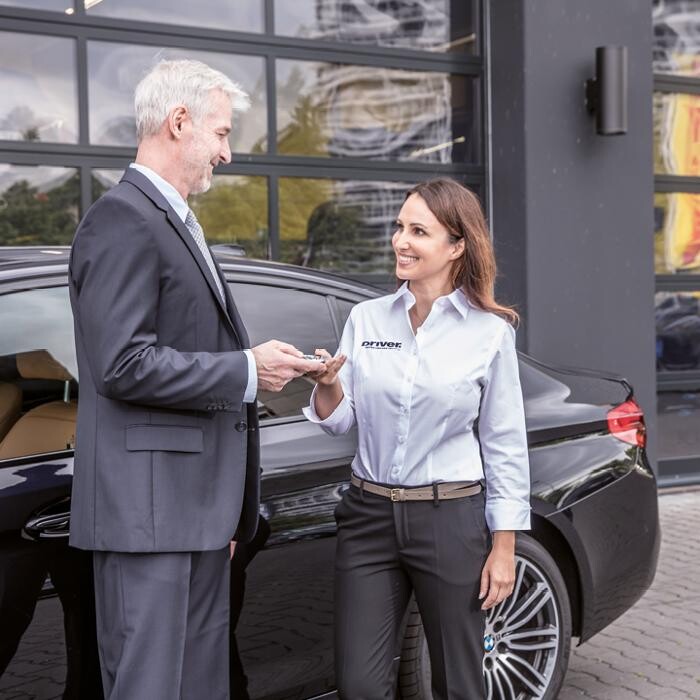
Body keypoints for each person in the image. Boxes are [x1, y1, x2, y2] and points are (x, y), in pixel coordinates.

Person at [68, 59, 321, 700]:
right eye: (222, 133)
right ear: (179, 122)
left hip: (197, 521)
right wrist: (245, 369)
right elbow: (120, 363)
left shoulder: (170, 220)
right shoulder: (122, 218)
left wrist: (229, 515)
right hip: (151, 523)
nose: (228, 153)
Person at [303, 178, 531, 699]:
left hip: (449, 520)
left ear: (456, 246)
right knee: (359, 685)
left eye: (418, 231)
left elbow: (504, 443)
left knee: (459, 683)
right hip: (368, 518)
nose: (400, 241)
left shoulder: (489, 333)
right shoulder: (367, 319)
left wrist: (504, 546)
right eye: (400, 227)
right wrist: (330, 384)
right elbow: (340, 420)